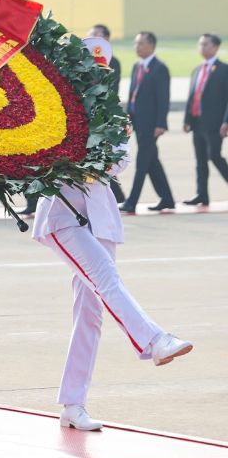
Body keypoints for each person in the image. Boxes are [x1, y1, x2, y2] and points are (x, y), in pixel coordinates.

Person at [32, 37, 192, 431]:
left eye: (101, 73)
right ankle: (153, 340)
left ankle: (73, 403)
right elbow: (43, 157)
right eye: (89, 72)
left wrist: (93, 163)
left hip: (100, 217)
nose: (95, 79)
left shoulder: (112, 115)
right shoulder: (57, 108)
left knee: (90, 314)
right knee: (106, 279)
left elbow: (120, 158)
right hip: (63, 216)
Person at [120, 32, 175, 213]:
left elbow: (163, 99)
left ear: (151, 45)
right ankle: (167, 198)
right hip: (138, 121)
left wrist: (161, 124)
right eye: (136, 44)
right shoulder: (137, 66)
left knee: (142, 161)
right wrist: (128, 118)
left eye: (141, 44)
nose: (137, 47)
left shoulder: (160, 68)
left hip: (152, 126)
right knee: (152, 162)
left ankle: (131, 201)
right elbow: (133, 94)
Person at [183, 33, 228, 206]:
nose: (201, 47)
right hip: (197, 122)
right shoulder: (197, 70)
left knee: (214, 156)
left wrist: (226, 121)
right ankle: (202, 194)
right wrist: (187, 119)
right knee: (200, 160)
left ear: (215, 47)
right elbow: (192, 96)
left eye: (205, 44)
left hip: (215, 124)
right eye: (200, 44)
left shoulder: (224, 69)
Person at [88, 24, 125, 204]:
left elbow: (110, 89)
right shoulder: (86, 62)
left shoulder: (112, 62)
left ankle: (117, 194)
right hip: (93, 113)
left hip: (104, 114)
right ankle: (117, 194)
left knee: (106, 154)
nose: (92, 37)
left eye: (96, 35)